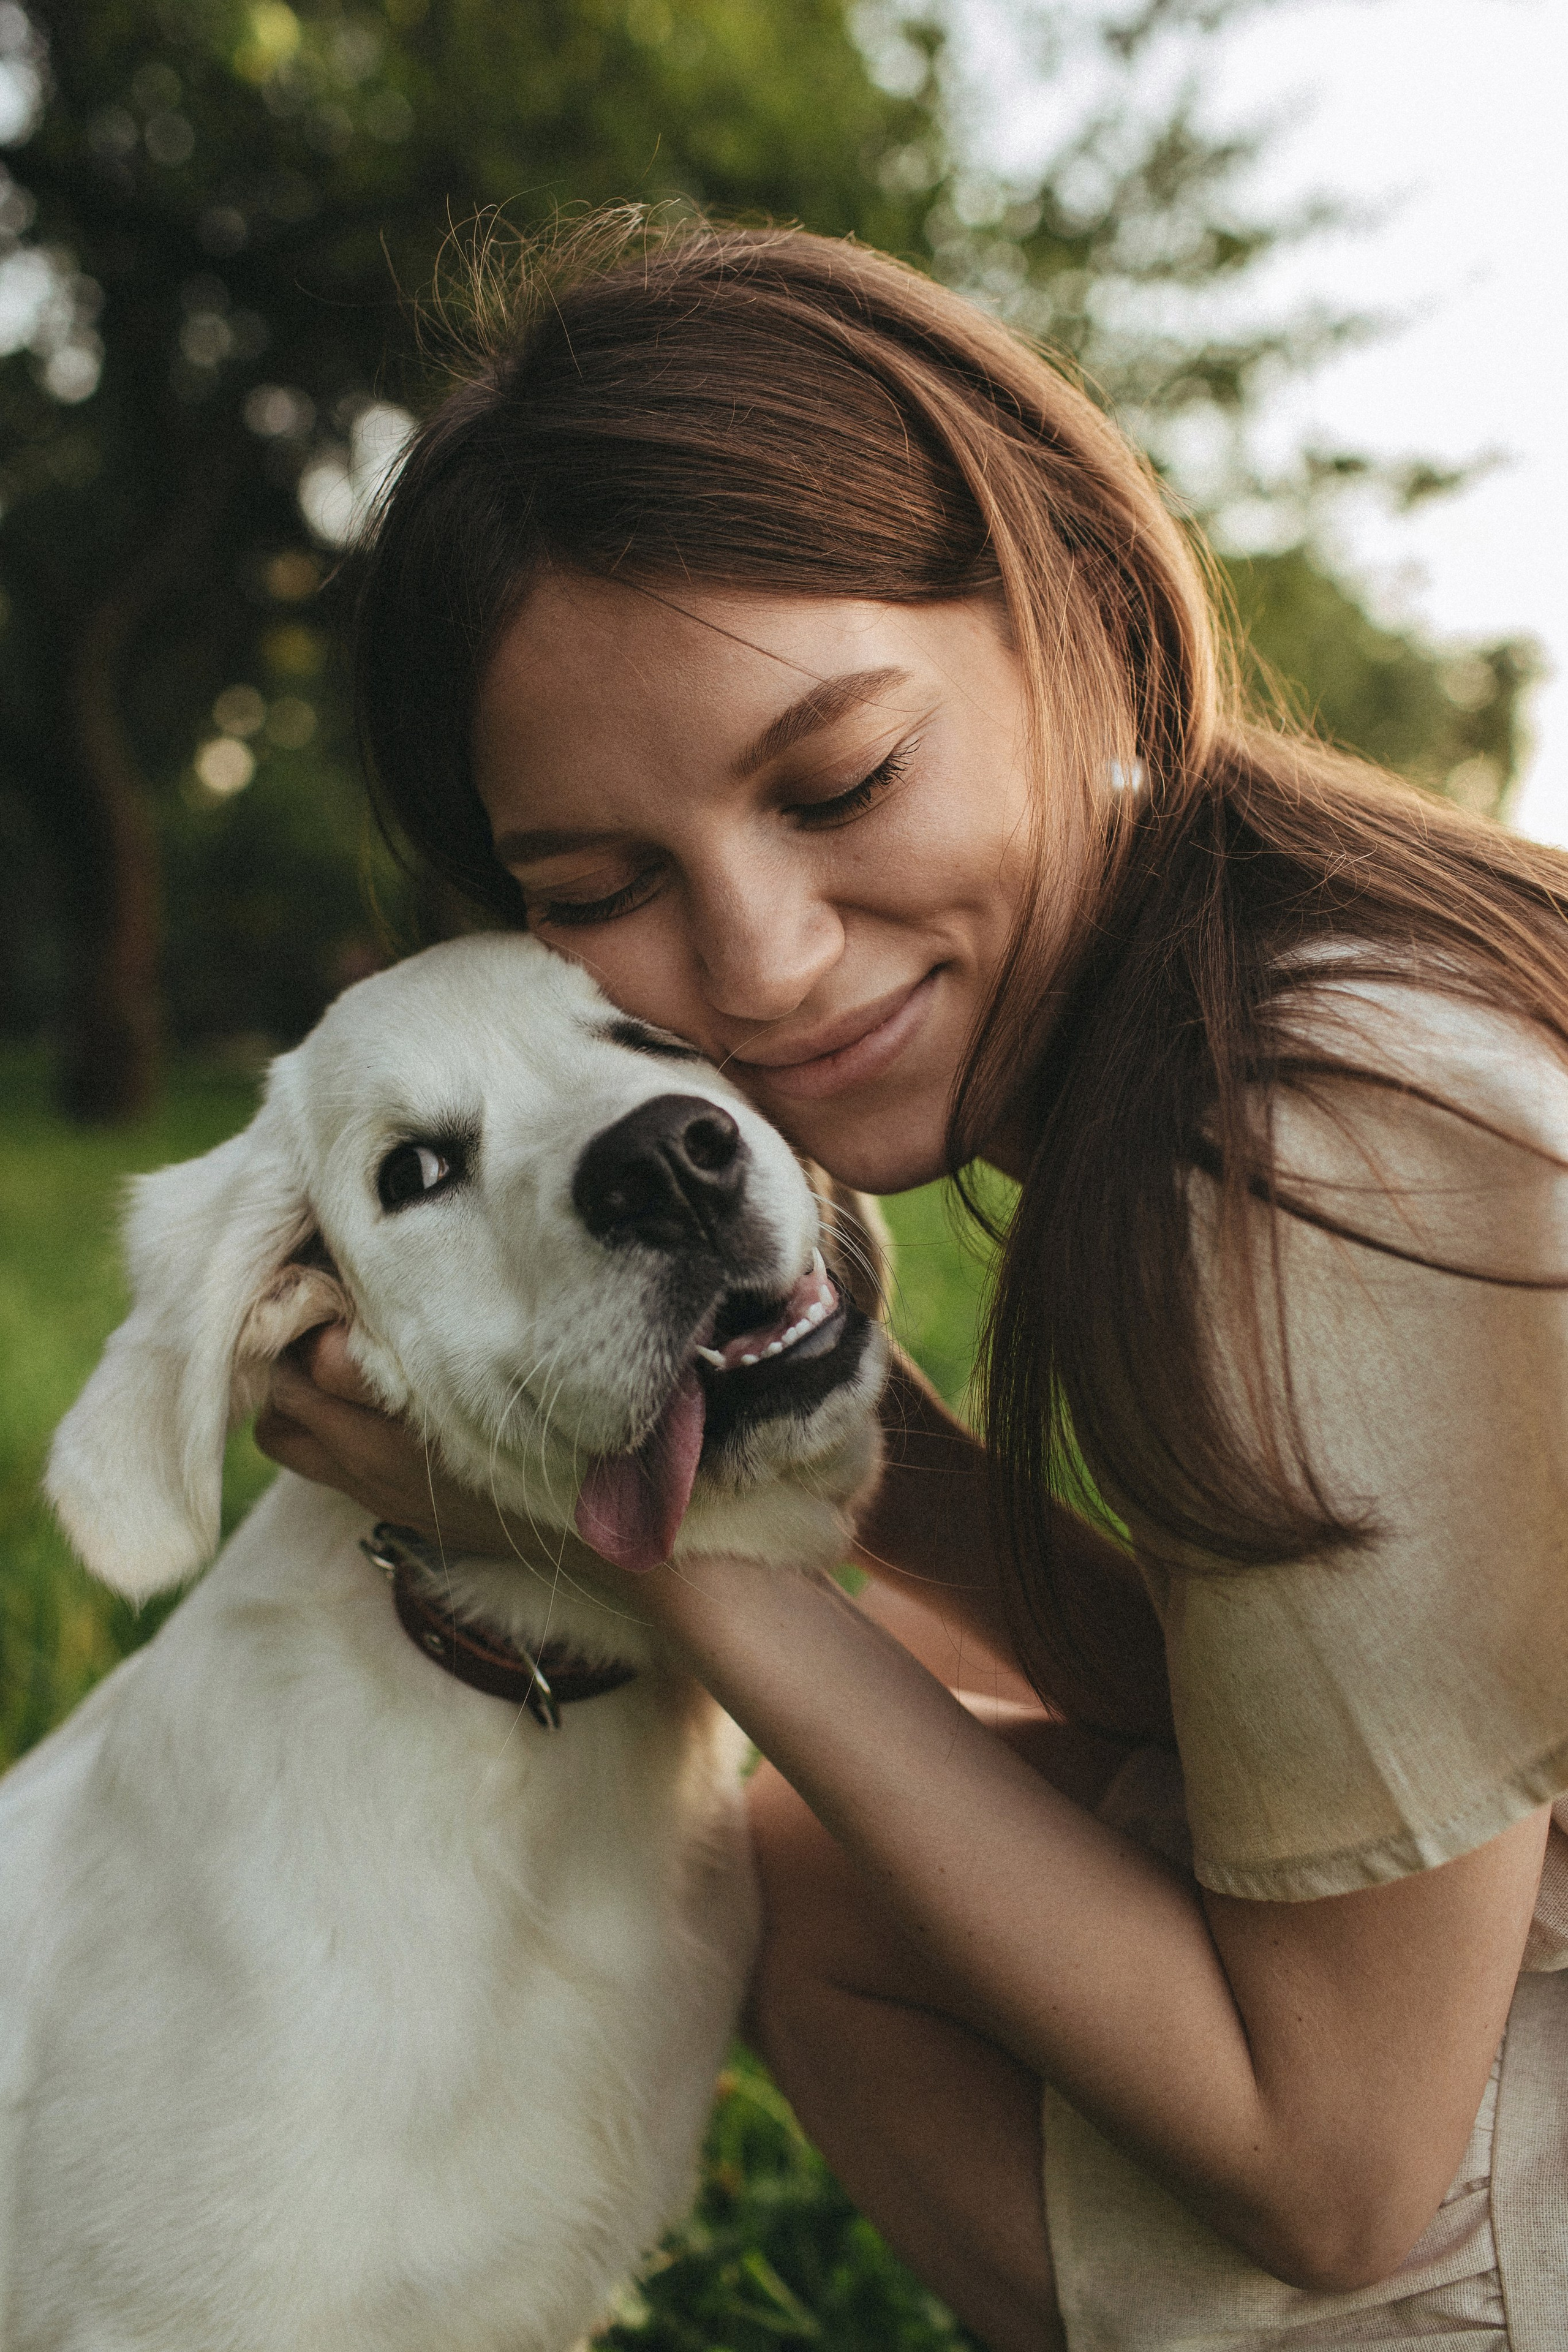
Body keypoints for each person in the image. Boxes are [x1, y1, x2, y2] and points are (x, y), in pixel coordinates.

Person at [258, 216, 1568, 2351]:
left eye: (845, 781)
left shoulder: (1313, 1143)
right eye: (603, 894)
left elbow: (1339, 2168)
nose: (765, 962)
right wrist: (849, 1470)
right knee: (827, 1855)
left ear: (1074, 612)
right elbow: (1318, 1748)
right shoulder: (1276, 963)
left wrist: (655, 1551)